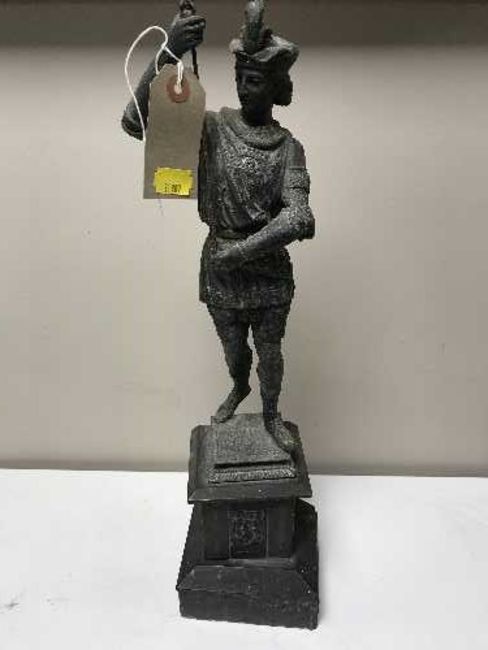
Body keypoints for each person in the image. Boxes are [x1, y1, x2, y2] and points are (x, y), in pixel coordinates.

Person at [122, 1, 315, 453]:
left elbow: (299, 216)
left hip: (265, 267)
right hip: (219, 264)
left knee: (270, 350)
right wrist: (169, 51)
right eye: (240, 79)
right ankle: (238, 385)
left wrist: (242, 252)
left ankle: (271, 413)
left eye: (255, 81)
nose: (245, 89)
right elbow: (134, 122)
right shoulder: (211, 129)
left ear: (276, 88)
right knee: (234, 349)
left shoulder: (289, 148)